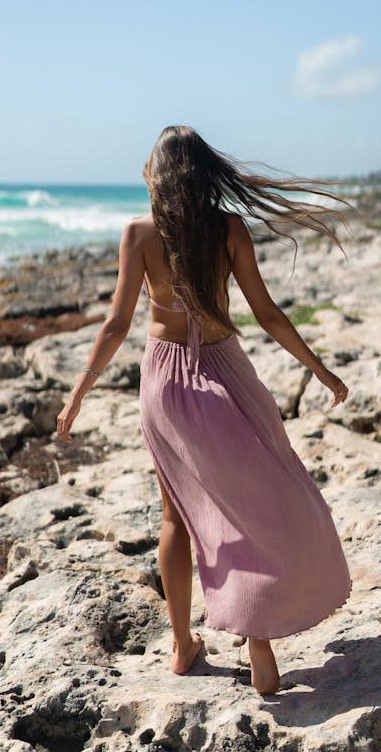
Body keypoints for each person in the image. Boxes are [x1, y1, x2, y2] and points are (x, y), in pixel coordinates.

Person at [56, 126, 352, 696]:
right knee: (256, 503)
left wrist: (78, 395)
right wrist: (318, 368)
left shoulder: (140, 234)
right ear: (203, 174)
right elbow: (266, 313)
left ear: (157, 177)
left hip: (166, 384)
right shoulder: (230, 228)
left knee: (177, 518)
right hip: (227, 374)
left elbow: (117, 324)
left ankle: (182, 646)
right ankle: (258, 640)